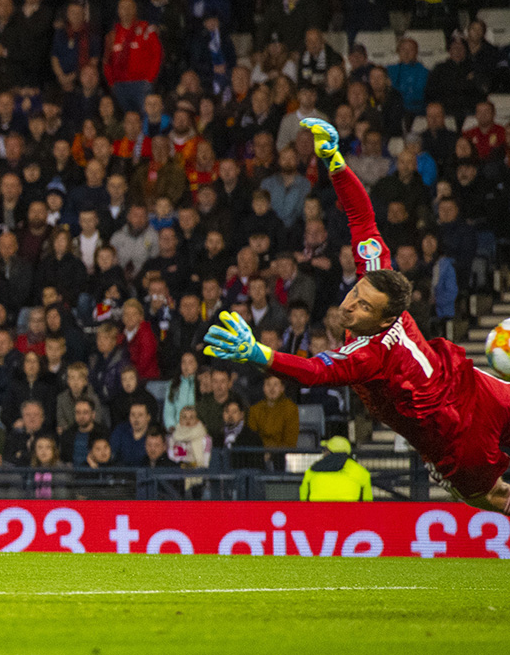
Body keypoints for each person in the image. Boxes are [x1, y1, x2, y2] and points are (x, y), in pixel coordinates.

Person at [205, 118, 510, 512]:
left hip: (451, 435)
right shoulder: (379, 276)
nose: (350, 304)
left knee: (491, 497)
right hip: (470, 388)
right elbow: (362, 218)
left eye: (363, 306)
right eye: (355, 293)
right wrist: (335, 161)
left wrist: (258, 354)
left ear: (385, 321)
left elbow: (316, 371)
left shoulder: (369, 355)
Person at [299, 435, 373, 501]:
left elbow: (303, 498)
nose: (323, 452)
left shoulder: (312, 471)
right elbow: (367, 502)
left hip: (318, 513)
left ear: (329, 452)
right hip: (349, 514)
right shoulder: (362, 472)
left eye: (325, 450)